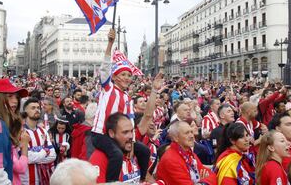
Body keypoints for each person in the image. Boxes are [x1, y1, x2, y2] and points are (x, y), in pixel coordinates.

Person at [91, 28, 150, 182]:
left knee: (144, 151)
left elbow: (130, 122)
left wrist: (133, 142)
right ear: (115, 76)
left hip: (118, 136)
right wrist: (110, 43)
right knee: (116, 154)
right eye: (123, 74)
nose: (127, 78)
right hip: (101, 134)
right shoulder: (108, 87)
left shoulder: (127, 98)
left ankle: (142, 179)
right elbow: (104, 67)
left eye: (129, 75)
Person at [156, 120, 217, 185]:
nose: (191, 136)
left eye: (191, 132)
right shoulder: (170, 159)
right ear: (176, 138)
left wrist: (203, 182)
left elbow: (212, 175)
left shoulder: (188, 153)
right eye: (187, 133)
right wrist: (203, 182)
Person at [90, 113, 142, 183]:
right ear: (112, 133)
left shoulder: (133, 153)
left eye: (132, 131)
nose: (131, 136)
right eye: (125, 132)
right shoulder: (99, 157)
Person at [21, 97, 57, 185]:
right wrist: (45, 151)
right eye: (33, 108)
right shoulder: (20, 132)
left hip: (44, 179)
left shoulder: (43, 131)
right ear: (25, 112)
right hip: (26, 180)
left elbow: (53, 155)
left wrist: (35, 157)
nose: (37, 110)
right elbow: (27, 158)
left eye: (38, 108)